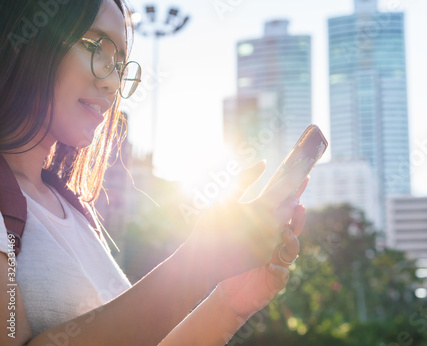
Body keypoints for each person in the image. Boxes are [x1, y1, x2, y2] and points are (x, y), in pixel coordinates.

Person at [0, 0, 307, 345]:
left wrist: (229, 304)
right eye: (97, 48)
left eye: (120, 65)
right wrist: (197, 264)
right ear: (28, 34)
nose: (113, 82)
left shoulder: (74, 211)